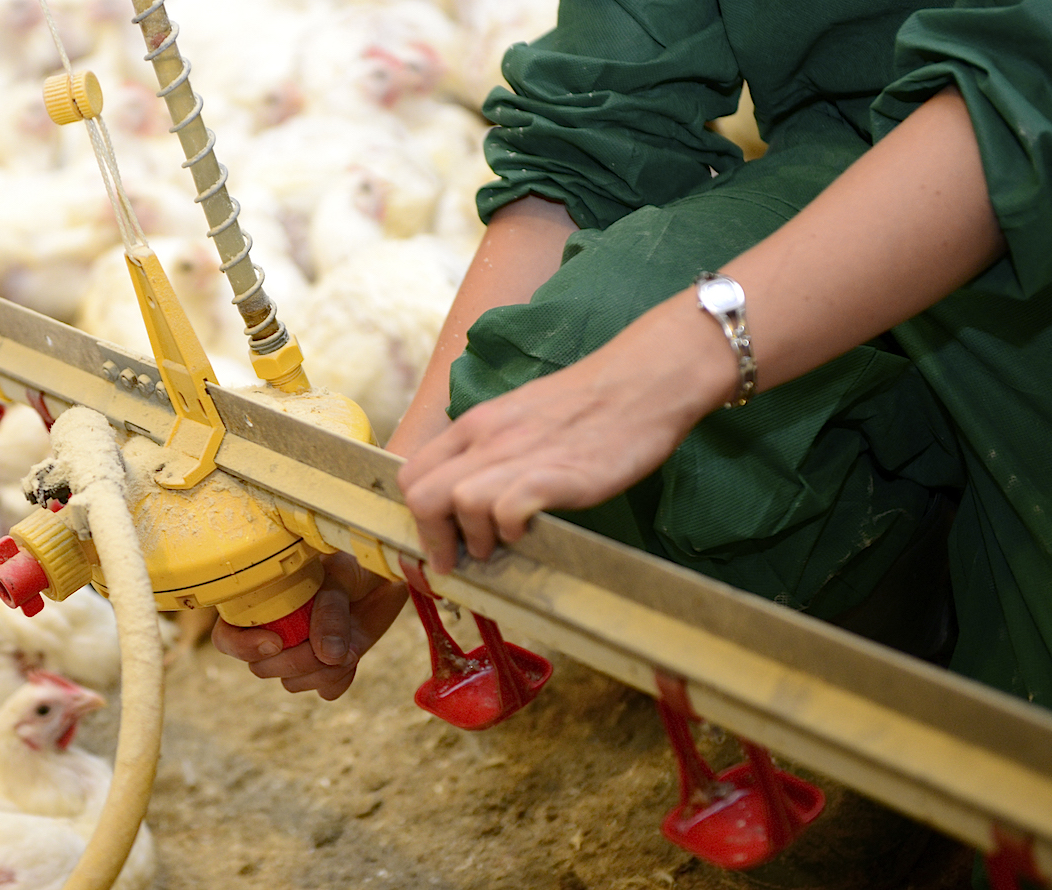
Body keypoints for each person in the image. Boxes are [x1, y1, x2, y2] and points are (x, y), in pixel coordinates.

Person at [215, 0, 1052, 710]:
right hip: (859, 144)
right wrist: (402, 496)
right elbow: (595, 117)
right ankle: (883, 673)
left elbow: (1026, 77)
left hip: (1017, 161)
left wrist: (683, 355)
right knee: (565, 345)